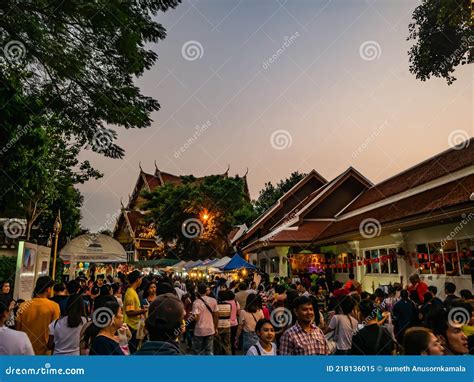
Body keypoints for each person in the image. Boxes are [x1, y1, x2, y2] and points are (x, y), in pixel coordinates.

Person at [15, 276, 60, 355]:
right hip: (44, 351)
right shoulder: (54, 306)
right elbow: (54, 331)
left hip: (24, 350)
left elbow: (17, 330)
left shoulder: (23, 305)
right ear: (48, 289)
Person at [123, 270, 147, 353]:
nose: (141, 281)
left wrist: (140, 310)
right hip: (131, 327)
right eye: (141, 278)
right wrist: (143, 311)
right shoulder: (130, 293)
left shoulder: (133, 292)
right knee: (132, 350)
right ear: (137, 279)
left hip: (135, 326)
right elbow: (129, 312)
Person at [192, 283, 218, 355]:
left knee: (198, 351)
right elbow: (216, 316)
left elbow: (196, 318)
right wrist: (215, 327)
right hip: (210, 329)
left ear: (198, 291)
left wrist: (192, 316)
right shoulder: (213, 301)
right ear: (206, 291)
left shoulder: (196, 303)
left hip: (199, 330)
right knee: (209, 351)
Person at [215, 290, 232, 355]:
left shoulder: (216, 305)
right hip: (227, 326)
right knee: (227, 344)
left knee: (217, 345)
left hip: (218, 326)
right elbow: (229, 315)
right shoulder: (229, 305)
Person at [225, 290, 240, 355]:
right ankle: (233, 353)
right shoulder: (236, 302)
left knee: (227, 340)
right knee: (233, 339)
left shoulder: (224, 302)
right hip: (235, 323)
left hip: (227, 324)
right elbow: (238, 313)